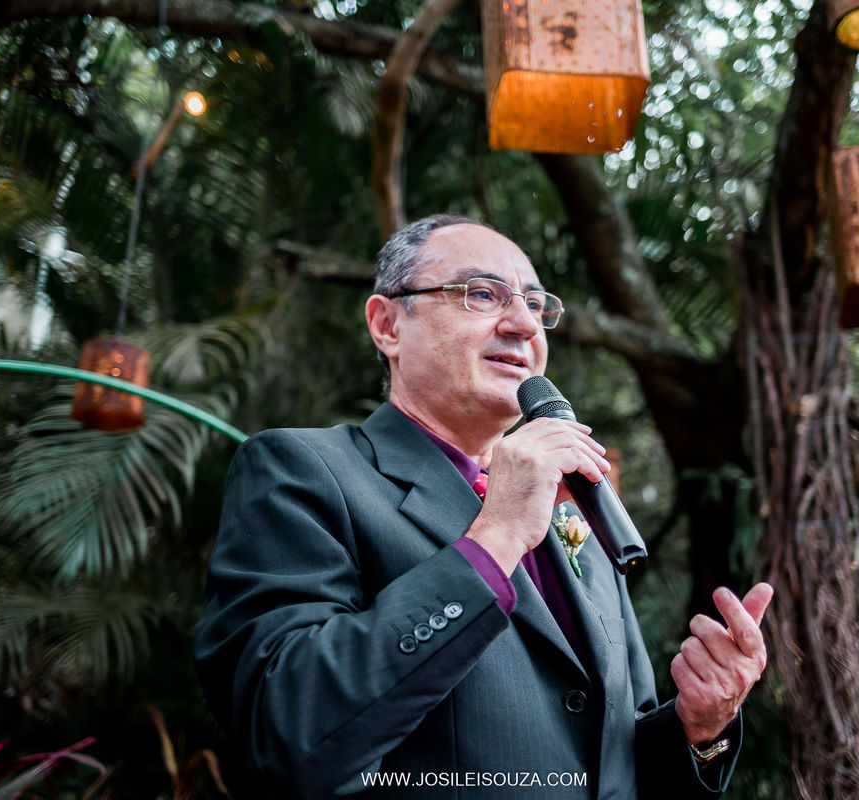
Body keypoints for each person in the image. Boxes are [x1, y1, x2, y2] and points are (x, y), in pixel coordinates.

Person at [194, 215, 772, 798]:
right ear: (388, 324)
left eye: (537, 304)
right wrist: (496, 537)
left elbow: (613, 761)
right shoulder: (303, 470)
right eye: (482, 294)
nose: (524, 324)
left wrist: (700, 728)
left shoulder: (574, 516)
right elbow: (286, 727)